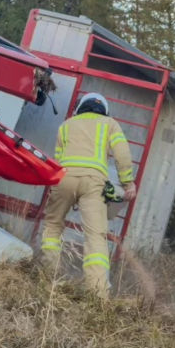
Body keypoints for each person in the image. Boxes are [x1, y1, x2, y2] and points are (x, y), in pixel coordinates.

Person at [40, 93, 136, 298]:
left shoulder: (66, 125)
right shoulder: (110, 124)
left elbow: (58, 159)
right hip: (94, 183)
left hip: (64, 178)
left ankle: (49, 277)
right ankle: (98, 294)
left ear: (79, 108)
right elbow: (122, 154)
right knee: (95, 236)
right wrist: (127, 182)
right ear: (105, 110)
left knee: (53, 225)